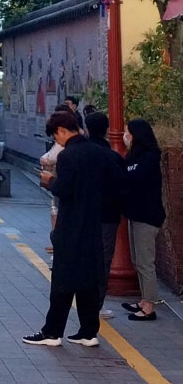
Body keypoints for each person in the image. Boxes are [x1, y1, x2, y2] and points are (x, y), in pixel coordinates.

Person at [24, 109, 107, 348]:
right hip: (93, 224)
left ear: (62, 131)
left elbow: (64, 189)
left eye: (56, 136)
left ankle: (52, 332)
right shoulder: (97, 152)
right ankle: (88, 332)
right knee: (89, 280)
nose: (56, 140)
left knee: (62, 281)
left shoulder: (69, 156)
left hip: (71, 225)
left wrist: (50, 180)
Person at [122, 118, 166, 322]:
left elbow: (134, 177)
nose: (126, 136)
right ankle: (143, 299)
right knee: (138, 260)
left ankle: (149, 306)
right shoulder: (133, 155)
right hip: (135, 213)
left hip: (148, 215)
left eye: (128, 132)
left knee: (146, 261)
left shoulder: (150, 156)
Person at [84, 111, 126, 318]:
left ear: (87, 129)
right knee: (103, 260)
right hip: (107, 215)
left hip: (82, 215)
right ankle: (96, 304)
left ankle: (83, 300)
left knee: (84, 257)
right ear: (107, 130)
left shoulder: (80, 154)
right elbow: (122, 187)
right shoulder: (113, 157)